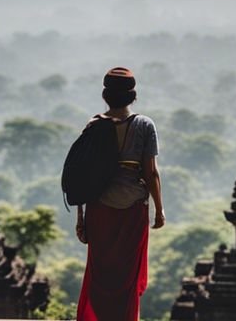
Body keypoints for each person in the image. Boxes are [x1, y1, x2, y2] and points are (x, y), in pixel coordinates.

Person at [76, 66, 165, 321]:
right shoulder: (144, 125)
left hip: (98, 208)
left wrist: (81, 217)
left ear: (105, 96)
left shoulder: (94, 125)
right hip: (133, 209)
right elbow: (151, 173)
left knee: (100, 273)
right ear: (133, 97)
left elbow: (82, 174)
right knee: (127, 277)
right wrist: (159, 209)